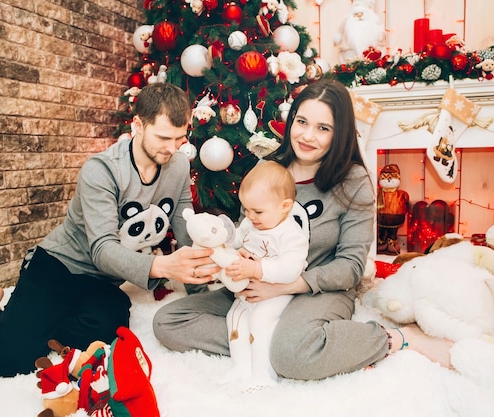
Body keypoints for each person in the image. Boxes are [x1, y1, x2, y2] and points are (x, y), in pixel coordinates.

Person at [153, 78, 454, 381]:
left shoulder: (353, 181)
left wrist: (285, 285)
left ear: (340, 134)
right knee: (168, 321)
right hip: (256, 287)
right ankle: (272, 339)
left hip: (318, 289)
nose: (308, 136)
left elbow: (349, 267)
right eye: (302, 122)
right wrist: (236, 259)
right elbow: (249, 231)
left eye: (323, 128)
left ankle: (394, 339)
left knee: (291, 357)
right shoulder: (268, 169)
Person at [0, 82, 218, 377]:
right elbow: (101, 249)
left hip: (103, 282)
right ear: (138, 124)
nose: (173, 148)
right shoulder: (101, 170)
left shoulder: (177, 165)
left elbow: (183, 221)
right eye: (164, 137)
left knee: (100, 339)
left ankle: (39, 318)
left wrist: (198, 288)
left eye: (180, 138)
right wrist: (163, 265)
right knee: (4, 360)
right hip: (58, 266)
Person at [225, 161, 309, 388]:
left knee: (260, 322)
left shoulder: (290, 234)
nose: (251, 217)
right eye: (247, 210)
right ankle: (241, 366)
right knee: (235, 319)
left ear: (285, 206)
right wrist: (235, 251)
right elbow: (236, 242)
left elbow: (291, 268)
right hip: (247, 292)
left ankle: (264, 374)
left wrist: (256, 269)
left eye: (258, 211)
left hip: (278, 293)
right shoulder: (249, 223)